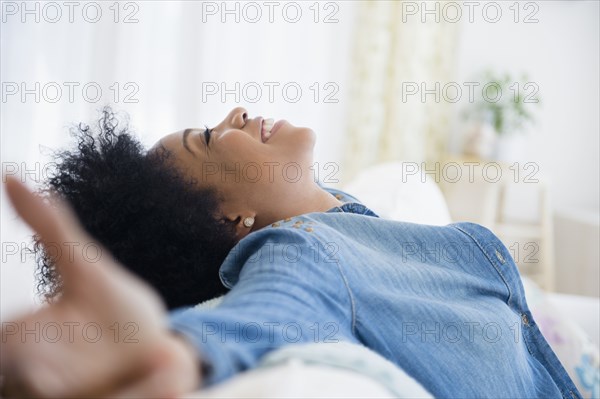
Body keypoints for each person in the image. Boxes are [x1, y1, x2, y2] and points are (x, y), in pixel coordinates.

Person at [1, 107, 581, 398]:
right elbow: (270, 313)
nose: (236, 114)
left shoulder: (348, 218)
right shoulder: (300, 253)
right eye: (207, 138)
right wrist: (169, 353)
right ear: (230, 218)